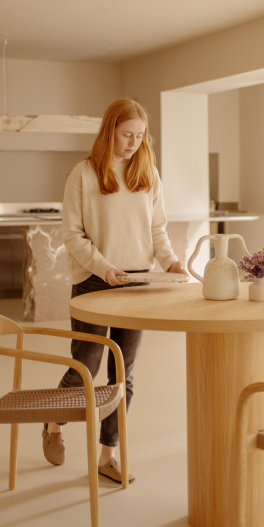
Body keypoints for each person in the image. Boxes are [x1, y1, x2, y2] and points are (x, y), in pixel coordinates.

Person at [42, 97, 187, 482]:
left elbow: (157, 230)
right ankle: (54, 423)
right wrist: (105, 270)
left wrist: (171, 261)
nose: (133, 143)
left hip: (139, 282)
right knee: (84, 369)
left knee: (124, 375)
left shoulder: (148, 172)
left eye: (140, 136)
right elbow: (72, 236)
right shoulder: (84, 174)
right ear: (110, 131)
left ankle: (108, 455)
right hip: (93, 281)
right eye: (127, 135)